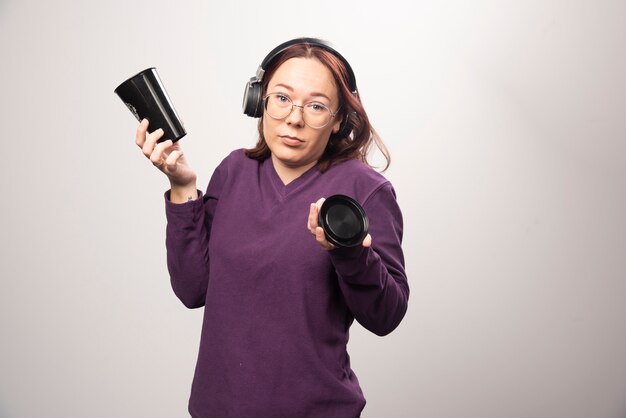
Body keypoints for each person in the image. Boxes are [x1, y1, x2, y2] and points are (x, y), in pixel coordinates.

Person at [134, 38, 409, 418]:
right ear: (258, 101)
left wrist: (350, 254)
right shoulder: (233, 171)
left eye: (316, 106)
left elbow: (386, 317)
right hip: (217, 407)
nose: (294, 118)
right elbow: (192, 289)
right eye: (282, 98)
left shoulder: (366, 190)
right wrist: (182, 188)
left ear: (339, 120)